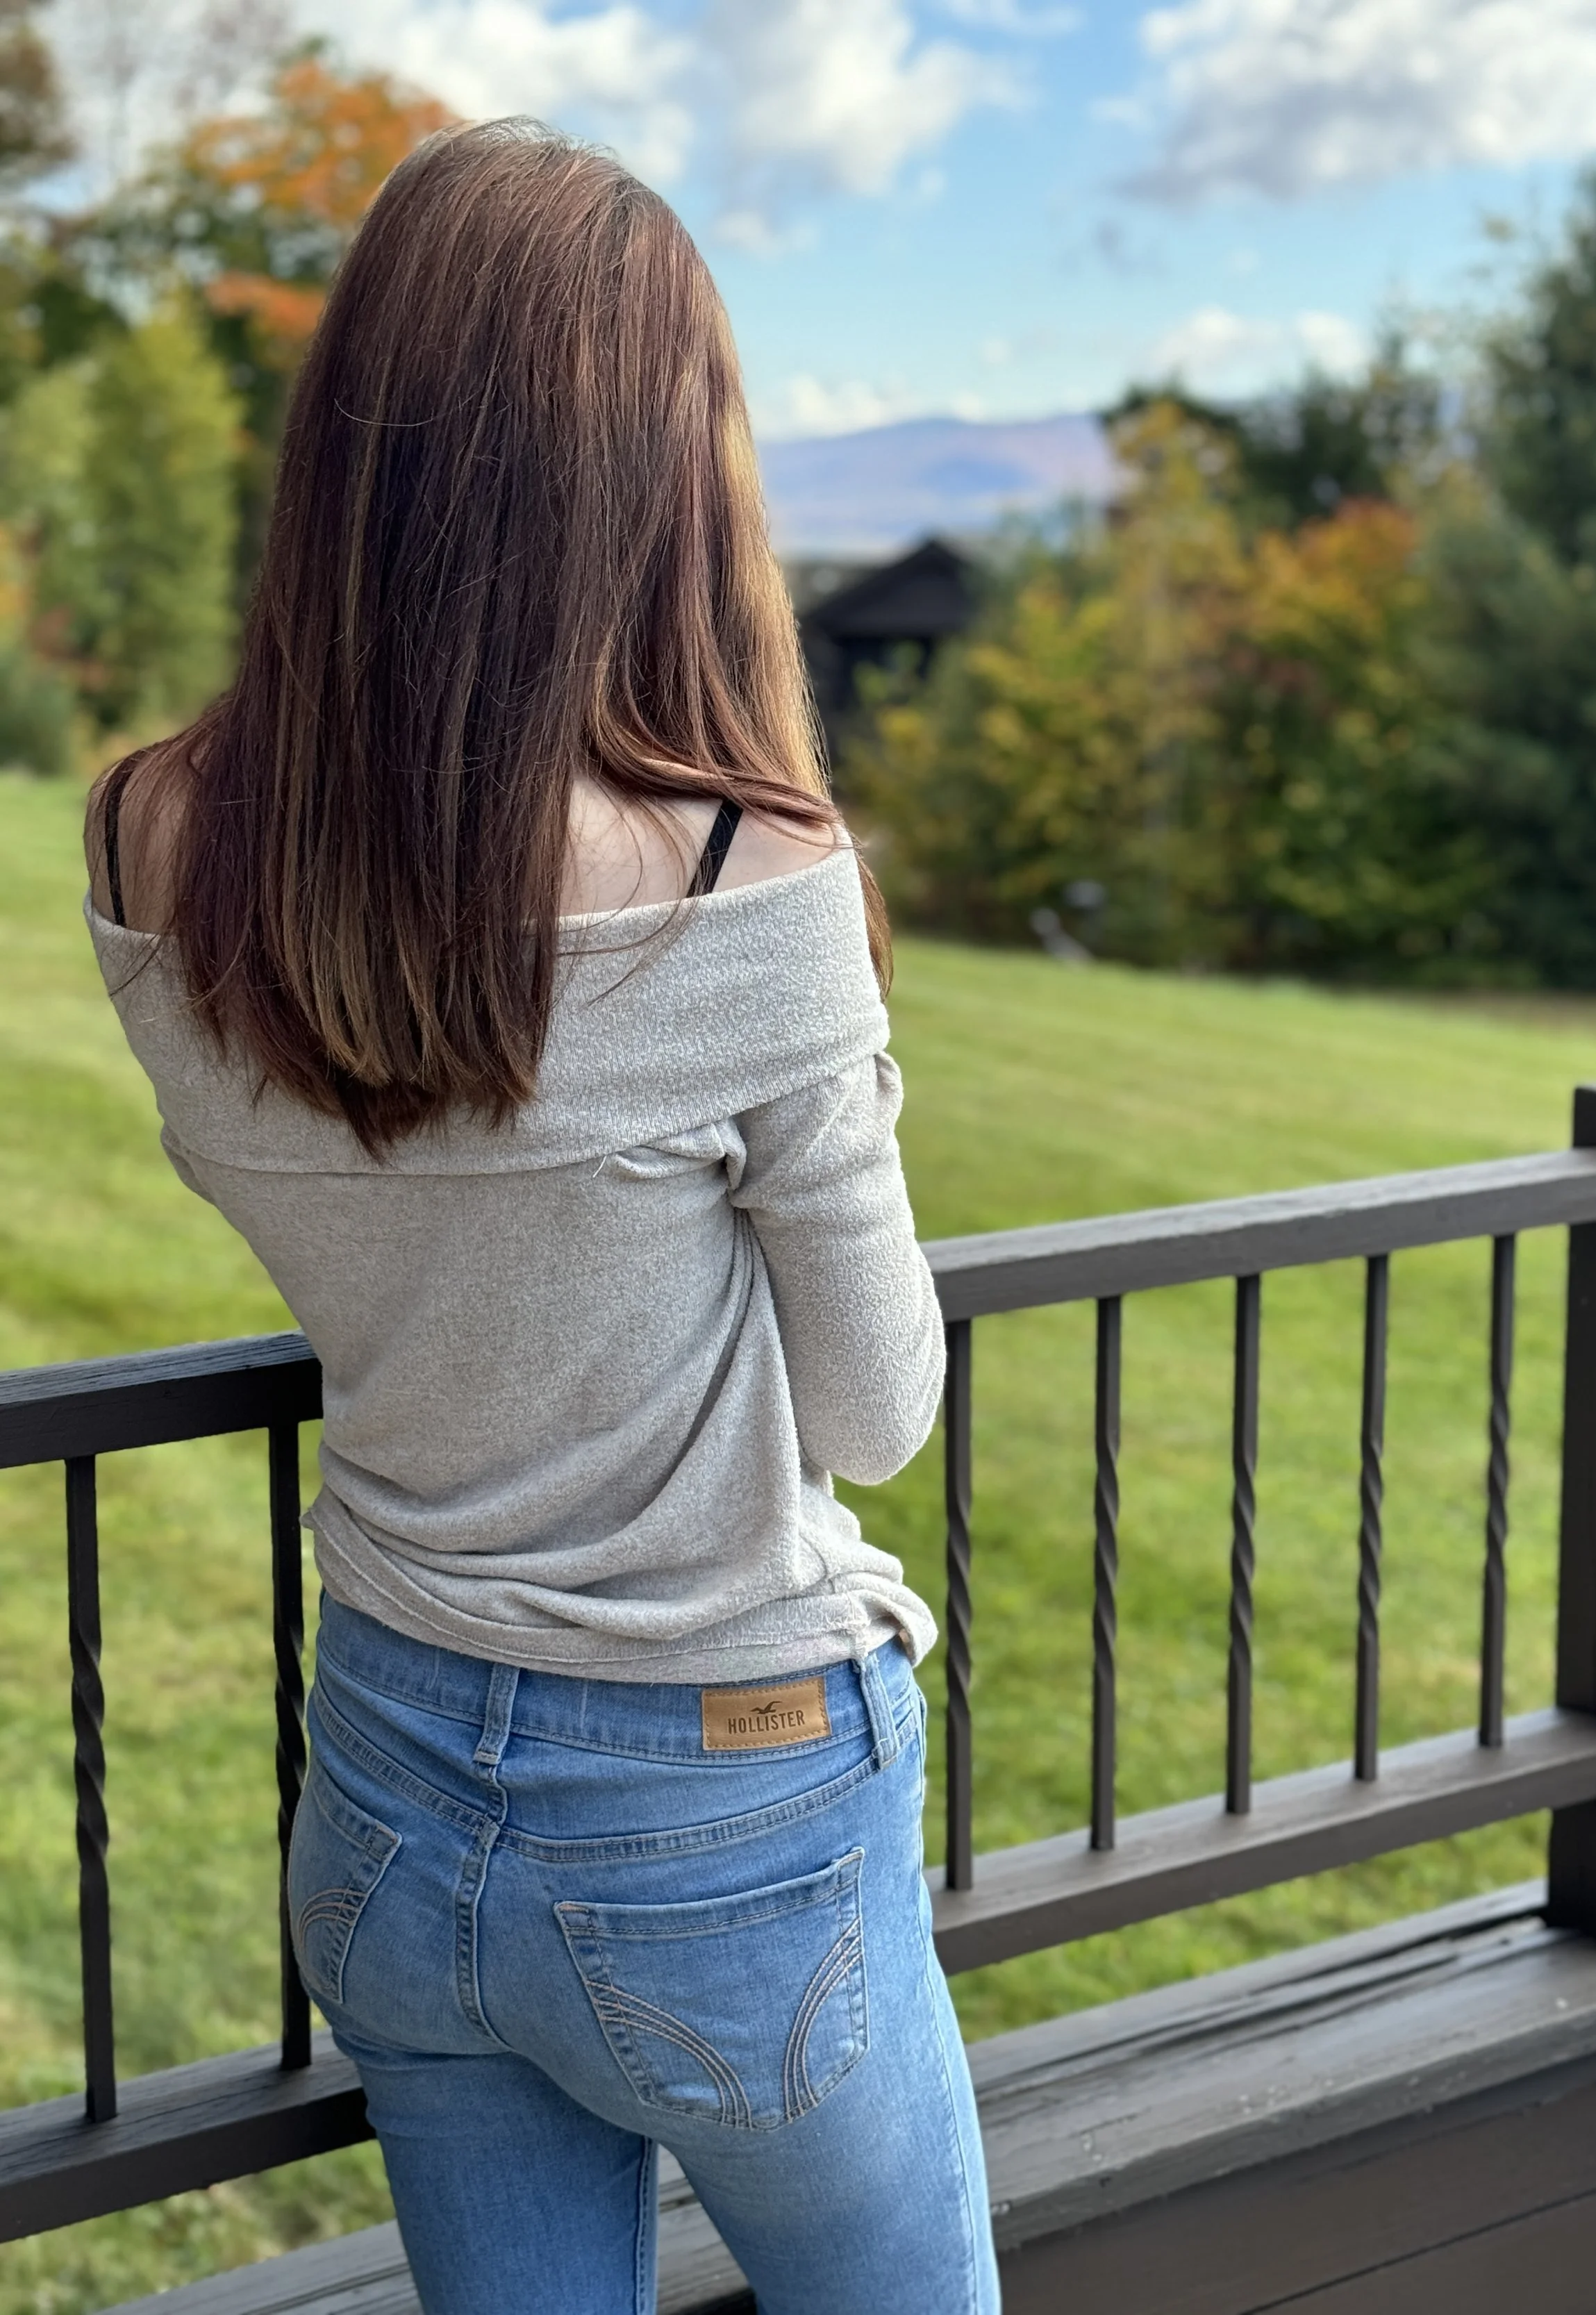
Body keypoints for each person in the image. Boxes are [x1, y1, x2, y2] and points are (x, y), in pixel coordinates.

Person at [84, 121, 997, 2315]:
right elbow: (874, 1409)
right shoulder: (742, 877)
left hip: (390, 1777)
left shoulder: (151, 839)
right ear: (657, 468)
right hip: (728, 1806)